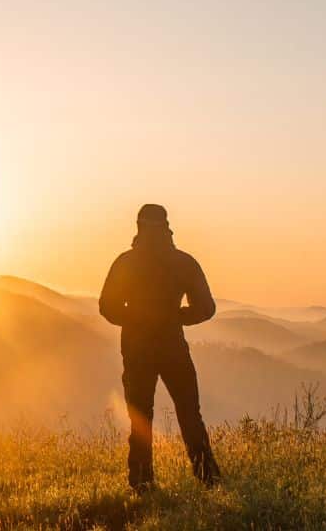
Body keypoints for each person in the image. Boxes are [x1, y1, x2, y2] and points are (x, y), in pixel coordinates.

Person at [98, 203, 219, 490]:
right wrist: (175, 317)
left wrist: (136, 318)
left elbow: (107, 307)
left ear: (138, 227)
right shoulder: (183, 262)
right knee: (190, 413)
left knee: (141, 416)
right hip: (173, 346)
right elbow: (206, 308)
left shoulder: (126, 263)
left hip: (136, 348)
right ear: (166, 227)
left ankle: (142, 482)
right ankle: (209, 479)